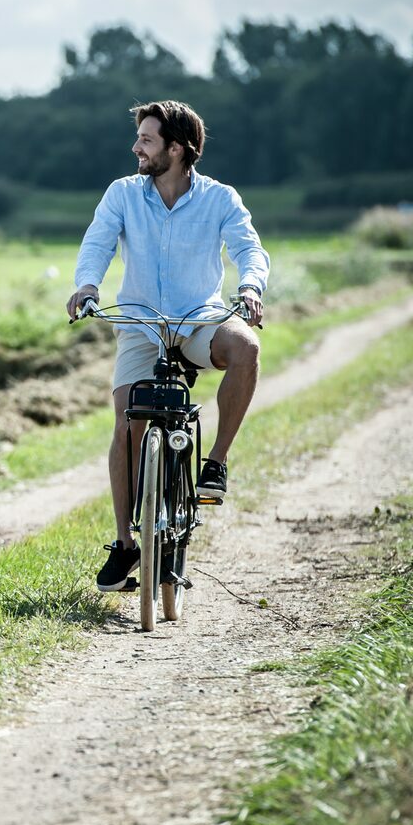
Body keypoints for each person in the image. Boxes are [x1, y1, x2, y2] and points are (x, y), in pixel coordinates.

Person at [65, 100, 269, 593]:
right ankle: (125, 544)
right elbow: (98, 243)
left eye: (147, 140)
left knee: (246, 347)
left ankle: (215, 462)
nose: (136, 147)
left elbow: (248, 248)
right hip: (139, 323)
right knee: (127, 421)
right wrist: (88, 285)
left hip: (199, 319)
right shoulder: (123, 194)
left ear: (176, 149)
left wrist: (250, 289)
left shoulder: (219, 198)